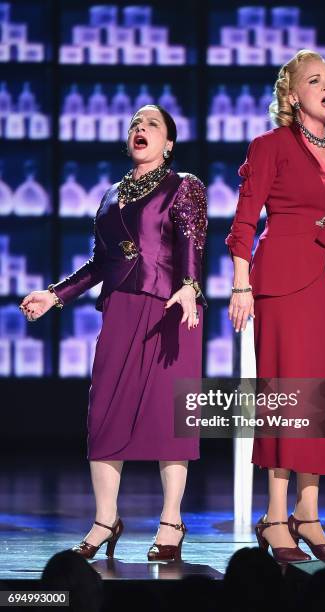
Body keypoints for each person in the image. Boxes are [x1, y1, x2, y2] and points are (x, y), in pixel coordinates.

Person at [19, 104, 208, 562]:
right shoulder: (109, 197)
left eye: (152, 125)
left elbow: (192, 241)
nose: (140, 129)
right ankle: (105, 521)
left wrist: (189, 286)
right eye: (134, 125)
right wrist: (55, 295)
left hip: (170, 310)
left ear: (169, 143)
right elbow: (101, 263)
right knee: (104, 414)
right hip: (121, 310)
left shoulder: (184, 187)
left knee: (169, 418)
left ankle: (171, 523)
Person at [225, 50, 325, 563]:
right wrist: (241, 284)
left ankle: (308, 517)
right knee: (287, 399)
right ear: (292, 96)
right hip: (282, 284)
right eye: (315, 80)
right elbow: (244, 220)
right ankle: (273, 516)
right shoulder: (270, 146)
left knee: (321, 402)